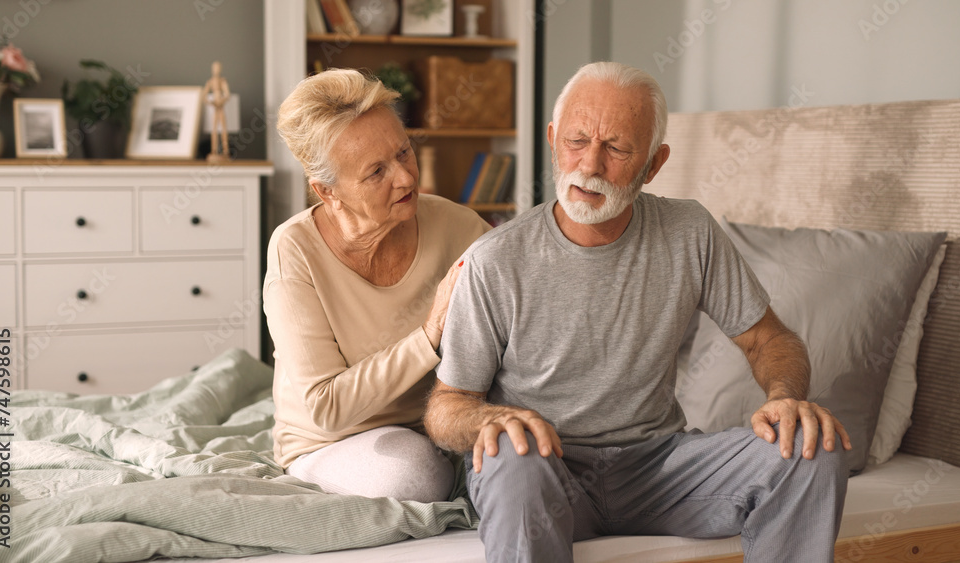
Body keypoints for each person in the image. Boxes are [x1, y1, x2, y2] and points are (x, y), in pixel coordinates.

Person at [425, 61, 852, 562]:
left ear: (653, 163)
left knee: (813, 447)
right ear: (552, 139)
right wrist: (493, 421)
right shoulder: (494, 260)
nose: (589, 166)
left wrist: (784, 397)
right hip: (544, 469)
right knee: (510, 457)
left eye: (617, 149)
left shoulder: (690, 232)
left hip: (659, 467)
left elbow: (770, 341)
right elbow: (448, 404)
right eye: (577, 141)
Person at [266, 68, 490, 503]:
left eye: (404, 152)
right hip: (331, 441)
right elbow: (328, 408)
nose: (406, 178)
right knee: (414, 477)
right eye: (376, 172)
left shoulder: (456, 224)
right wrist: (429, 333)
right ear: (327, 191)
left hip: (435, 425)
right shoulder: (294, 250)